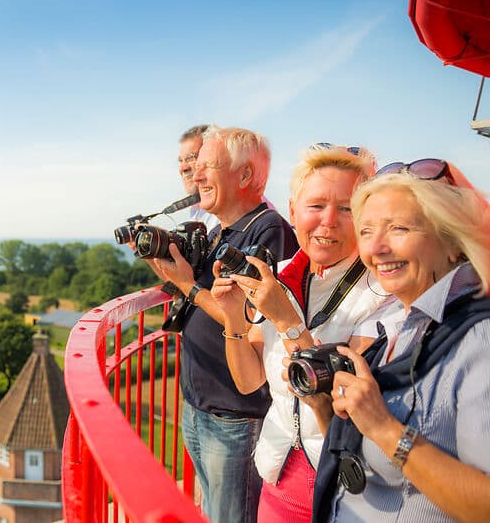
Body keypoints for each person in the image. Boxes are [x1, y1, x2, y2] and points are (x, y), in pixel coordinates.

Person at [208, 144, 393, 522]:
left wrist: (287, 321)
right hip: (277, 470)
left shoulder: (382, 291)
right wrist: (232, 319)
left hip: (342, 482)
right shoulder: (282, 273)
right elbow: (248, 381)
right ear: (292, 211)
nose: (328, 221)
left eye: (346, 208)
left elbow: (346, 402)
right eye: (316, 206)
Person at [312, 160, 490, 522]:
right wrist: (323, 407)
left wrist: (384, 427)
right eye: (366, 231)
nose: (376, 248)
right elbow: (370, 457)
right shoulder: (405, 322)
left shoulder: (479, 340)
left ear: (452, 239)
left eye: (399, 228)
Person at [153, 125, 298, 523]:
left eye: (207, 167)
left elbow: (258, 322)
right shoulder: (221, 232)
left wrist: (186, 285)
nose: (196, 176)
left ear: (246, 175)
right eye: (194, 167)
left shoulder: (269, 230)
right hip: (200, 404)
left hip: (235, 413)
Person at [178, 125, 220, 232]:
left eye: (191, 158)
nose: (183, 168)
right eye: (180, 160)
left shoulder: (234, 207)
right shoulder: (197, 208)